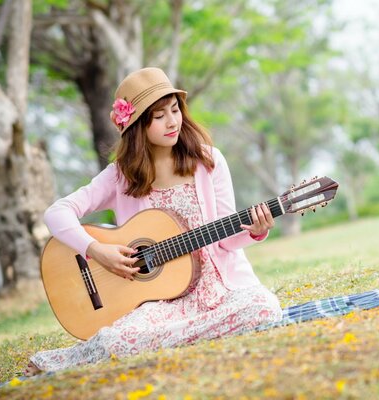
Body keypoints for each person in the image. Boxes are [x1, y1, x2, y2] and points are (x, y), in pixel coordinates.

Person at [24, 67, 282, 376]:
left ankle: (158, 340)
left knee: (263, 308)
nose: (173, 121)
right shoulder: (119, 176)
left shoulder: (209, 161)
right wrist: (96, 251)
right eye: (159, 116)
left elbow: (226, 239)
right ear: (136, 125)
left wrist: (255, 232)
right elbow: (56, 213)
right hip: (162, 302)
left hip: (221, 289)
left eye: (175, 110)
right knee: (118, 341)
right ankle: (90, 351)